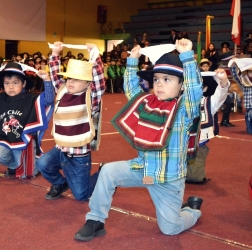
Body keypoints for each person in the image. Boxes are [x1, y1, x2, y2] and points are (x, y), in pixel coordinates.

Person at [74, 39, 203, 241]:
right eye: (157, 79)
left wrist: (187, 56)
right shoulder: (147, 103)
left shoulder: (184, 109)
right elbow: (132, 90)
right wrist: (132, 61)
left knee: (170, 228)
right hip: (142, 169)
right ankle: (95, 220)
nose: (159, 84)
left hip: (168, 179)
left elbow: (195, 92)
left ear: (181, 84)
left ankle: (191, 211)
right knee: (108, 171)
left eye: (167, 80)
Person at [36, 42, 106, 201]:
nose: (70, 82)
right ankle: (60, 183)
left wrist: (94, 55)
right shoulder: (62, 90)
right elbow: (54, 75)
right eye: (68, 78)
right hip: (61, 150)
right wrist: (55, 53)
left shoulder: (91, 98)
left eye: (76, 79)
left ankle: (104, 173)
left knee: (82, 195)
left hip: (78, 156)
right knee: (42, 164)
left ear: (88, 83)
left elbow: (99, 81)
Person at [0, 62, 54, 178]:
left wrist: (47, 80)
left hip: (24, 142)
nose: (11, 87)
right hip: (6, 140)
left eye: (15, 83)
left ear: (23, 83)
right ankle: (15, 166)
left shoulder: (31, 98)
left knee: (26, 174)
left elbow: (48, 100)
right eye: (7, 83)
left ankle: (35, 165)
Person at [186, 59, 229, 183]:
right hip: (180, 146)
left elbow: (221, 94)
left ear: (204, 89)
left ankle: (191, 172)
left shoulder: (209, 103)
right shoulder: (181, 102)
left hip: (198, 146)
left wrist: (223, 80)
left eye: (199, 87)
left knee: (196, 177)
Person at [229, 58, 252, 134]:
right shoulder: (244, 84)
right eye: (250, 72)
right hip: (249, 109)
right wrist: (234, 65)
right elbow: (235, 76)